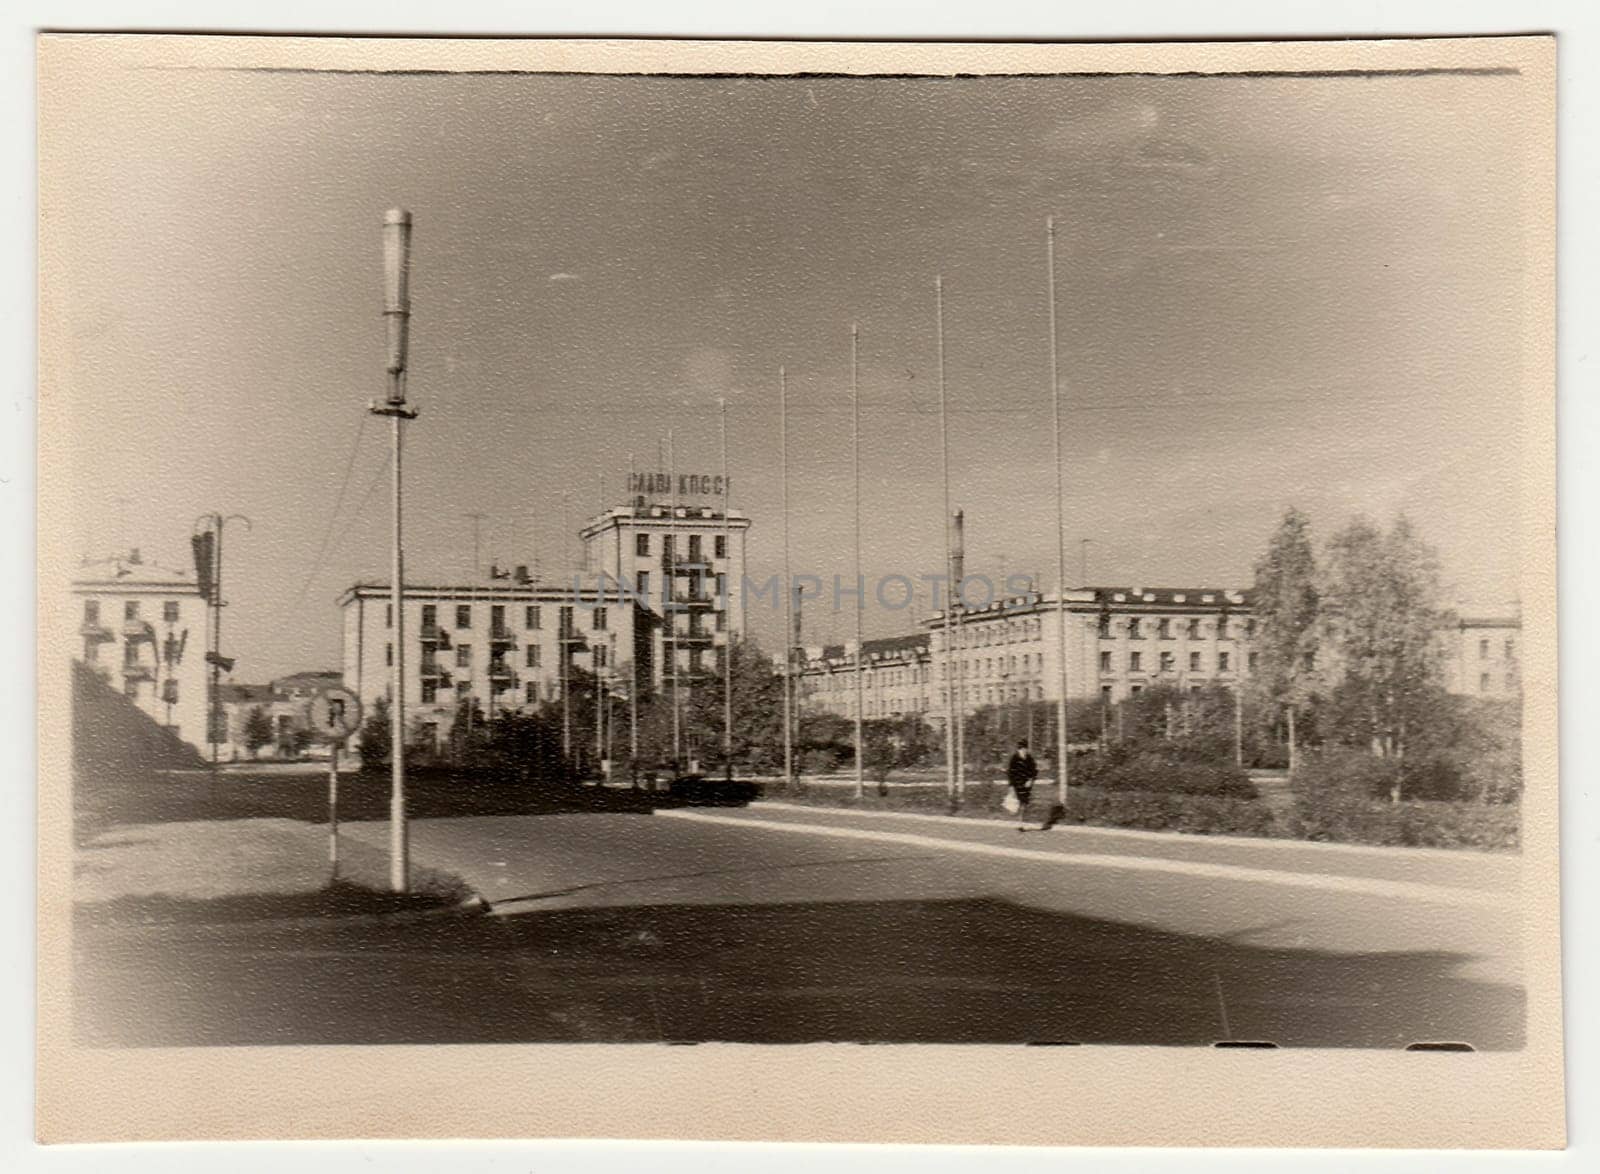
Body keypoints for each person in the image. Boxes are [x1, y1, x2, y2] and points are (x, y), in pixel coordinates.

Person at [1006, 740, 1038, 830]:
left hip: (1027, 785)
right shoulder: (1014, 758)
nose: (1024, 751)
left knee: (1024, 803)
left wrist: (1031, 779)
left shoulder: (1029, 758)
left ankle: (1021, 822)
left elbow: (1034, 770)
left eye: (1025, 749)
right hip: (1017, 784)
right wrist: (1011, 785)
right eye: (1022, 749)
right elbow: (1010, 772)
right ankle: (1018, 819)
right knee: (1017, 803)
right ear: (1019, 749)